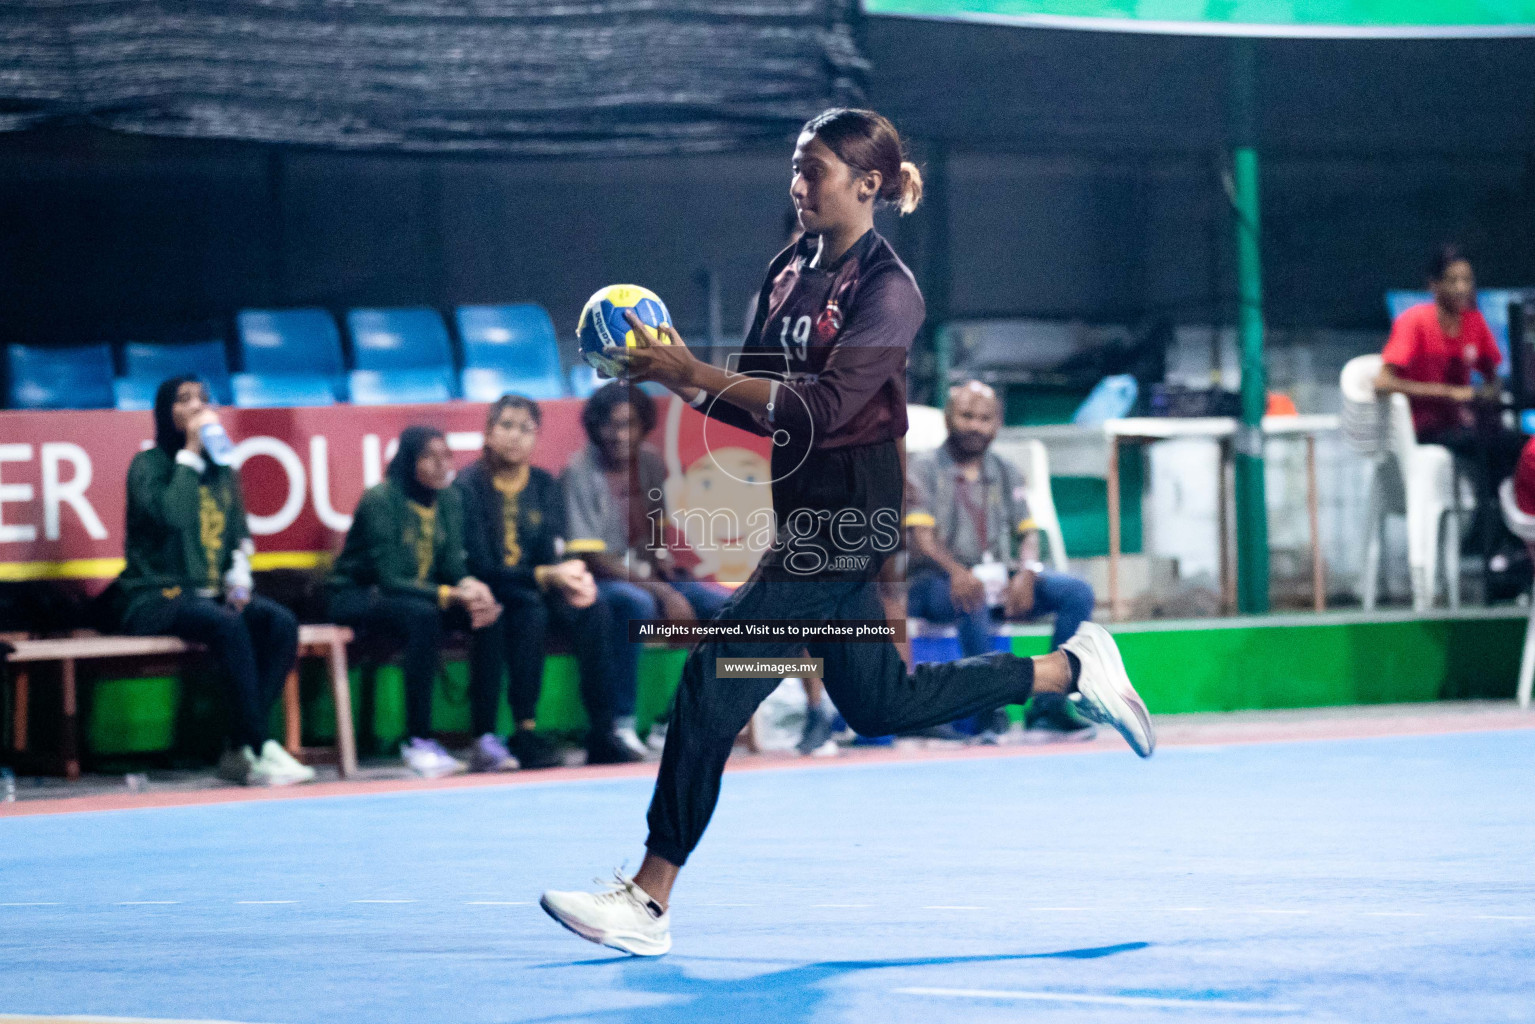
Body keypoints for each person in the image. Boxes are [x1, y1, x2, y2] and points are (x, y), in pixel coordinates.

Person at [540, 108, 1155, 956]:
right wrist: (679, 375)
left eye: (814, 171)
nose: (797, 186)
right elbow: (752, 399)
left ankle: (648, 899)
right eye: (794, 168)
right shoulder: (788, 269)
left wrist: (691, 370)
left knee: (712, 682)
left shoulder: (888, 290)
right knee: (878, 701)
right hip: (804, 520)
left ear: (867, 184)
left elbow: (825, 412)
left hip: (847, 526)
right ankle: (1066, 667)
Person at [115, 376, 313, 787]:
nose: (197, 407)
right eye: (183, 400)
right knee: (226, 624)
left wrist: (239, 579)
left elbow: (239, 534)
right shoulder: (148, 466)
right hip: (155, 596)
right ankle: (258, 747)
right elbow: (174, 517)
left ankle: (240, 746)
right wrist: (190, 453)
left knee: (280, 623)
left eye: (203, 399)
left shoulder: (224, 471)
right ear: (165, 413)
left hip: (210, 596)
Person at [906, 380, 1098, 744]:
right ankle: (987, 711)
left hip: (998, 578)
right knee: (970, 593)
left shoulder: (1007, 471)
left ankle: (1049, 708)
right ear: (948, 418)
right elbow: (921, 541)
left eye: (985, 418)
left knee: (1076, 593)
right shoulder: (922, 469)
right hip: (934, 584)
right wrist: (958, 573)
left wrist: (1026, 572)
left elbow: (1028, 533)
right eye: (966, 416)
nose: (975, 426)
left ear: (997, 423)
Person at [456, 394, 632, 769]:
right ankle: (524, 731)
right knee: (528, 611)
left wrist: (570, 578)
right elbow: (481, 565)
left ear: (536, 438)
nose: (515, 437)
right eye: (506, 426)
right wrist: (546, 575)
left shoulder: (544, 484)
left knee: (595, 608)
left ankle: (603, 732)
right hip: (493, 589)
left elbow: (551, 550)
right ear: (487, 432)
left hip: (538, 584)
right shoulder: (467, 485)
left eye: (526, 429)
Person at [561, 382, 731, 758]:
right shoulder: (579, 472)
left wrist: (665, 568)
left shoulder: (651, 462)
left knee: (728, 609)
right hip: (598, 583)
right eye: (610, 425)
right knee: (632, 605)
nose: (620, 435)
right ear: (595, 427)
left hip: (647, 578)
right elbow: (592, 559)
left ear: (643, 426)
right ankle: (620, 725)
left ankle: (673, 719)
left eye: (629, 424)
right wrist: (663, 593)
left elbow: (655, 530)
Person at [326, 426, 503, 778]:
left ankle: (483, 738)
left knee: (487, 616)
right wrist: (451, 595)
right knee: (424, 617)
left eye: (446, 457)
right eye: (428, 457)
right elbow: (389, 577)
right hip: (359, 595)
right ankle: (418, 742)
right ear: (409, 461)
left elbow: (452, 565)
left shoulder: (451, 499)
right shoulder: (381, 498)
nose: (441, 466)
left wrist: (472, 587)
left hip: (420, 598)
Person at [1376, 244, 1524, 567]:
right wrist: (1447, 393)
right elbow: (1383, 382)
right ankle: (1489, 547)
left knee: (1520, 448)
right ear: (1434, 285)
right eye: (1453, 280)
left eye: (1467, 280)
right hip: (1425, 430)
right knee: (1491, 453)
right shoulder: (1414, 322)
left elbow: (1492, 376)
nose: (1462, 288)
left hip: (1464, 430)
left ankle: (1512, 547)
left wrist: (1488, 395)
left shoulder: (1474, 323)